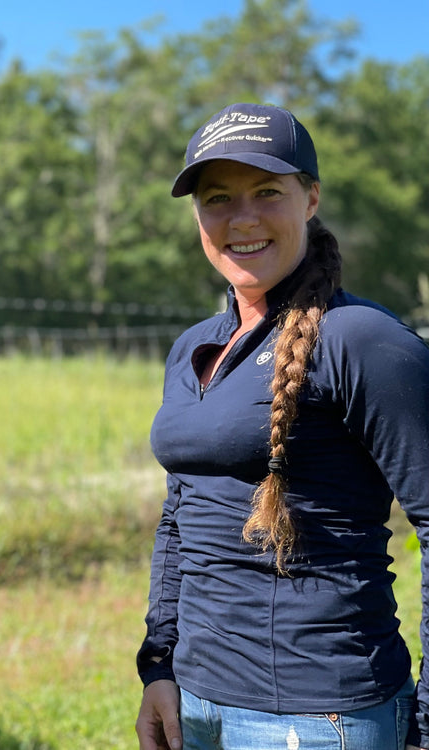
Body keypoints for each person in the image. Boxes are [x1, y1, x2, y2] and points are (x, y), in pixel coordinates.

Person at [134, 102, 429, 750]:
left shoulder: (362, 340)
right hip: (197, 706)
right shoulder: (192, 348)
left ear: (312, 197)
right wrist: (159, 667)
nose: (242, 219)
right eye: (218, 199)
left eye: (267, 192)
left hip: (320, 717)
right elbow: (178, 516)